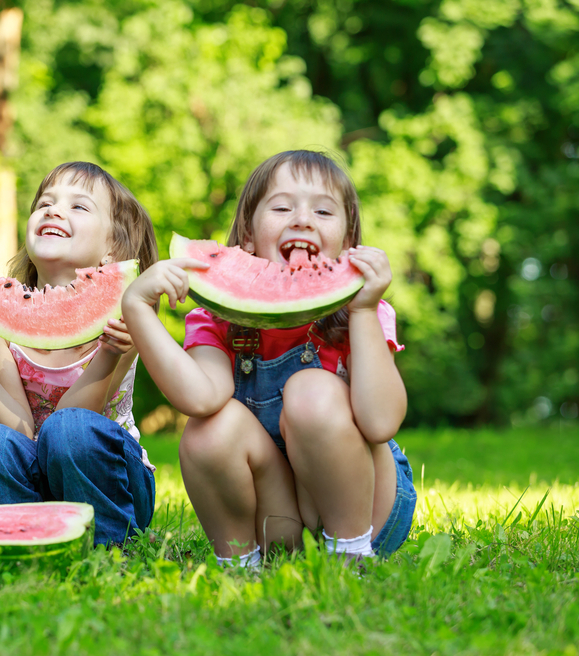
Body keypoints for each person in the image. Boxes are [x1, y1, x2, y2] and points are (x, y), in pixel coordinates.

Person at [122, 150, 416, 571]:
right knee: (208, 430)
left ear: (349, 243)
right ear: (246, 238)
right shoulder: (215, 317)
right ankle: (241, 565)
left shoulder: (361, 310)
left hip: (368, 511)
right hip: (282, 520)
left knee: (311, 390)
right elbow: (201, 398)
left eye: (323, 210)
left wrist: (366, 312)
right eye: (281, 207)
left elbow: (380, 422)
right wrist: (136, 307)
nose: (302, 219)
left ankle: (351, 556)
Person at [0, 161, 159, 546]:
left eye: (79, 206)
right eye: (45, 202)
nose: (54, 210)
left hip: (116, 483)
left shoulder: (123, 317)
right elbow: (19, 432)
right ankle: (25, 544)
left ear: (111, 247)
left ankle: (110, 549)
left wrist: (110, 353)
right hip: (35, 479)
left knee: (70, 429)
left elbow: (70, 423)